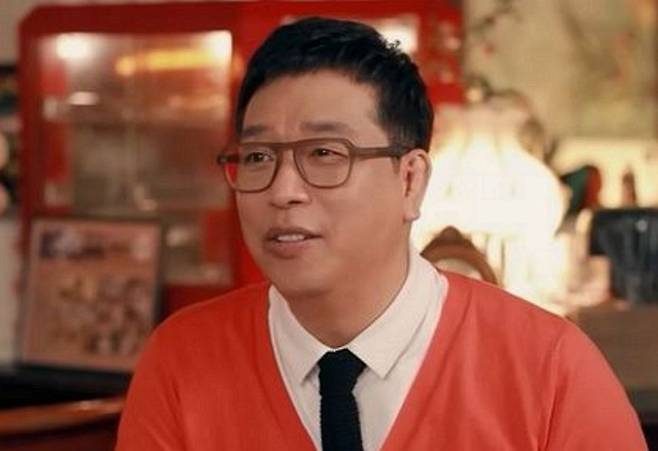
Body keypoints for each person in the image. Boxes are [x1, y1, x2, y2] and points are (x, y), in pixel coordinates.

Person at [116, 17, 647, 451]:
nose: (282, 190)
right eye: (257, 157)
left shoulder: (550, 368)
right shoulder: (182, 359)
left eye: (325, 153)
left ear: (410, 180)